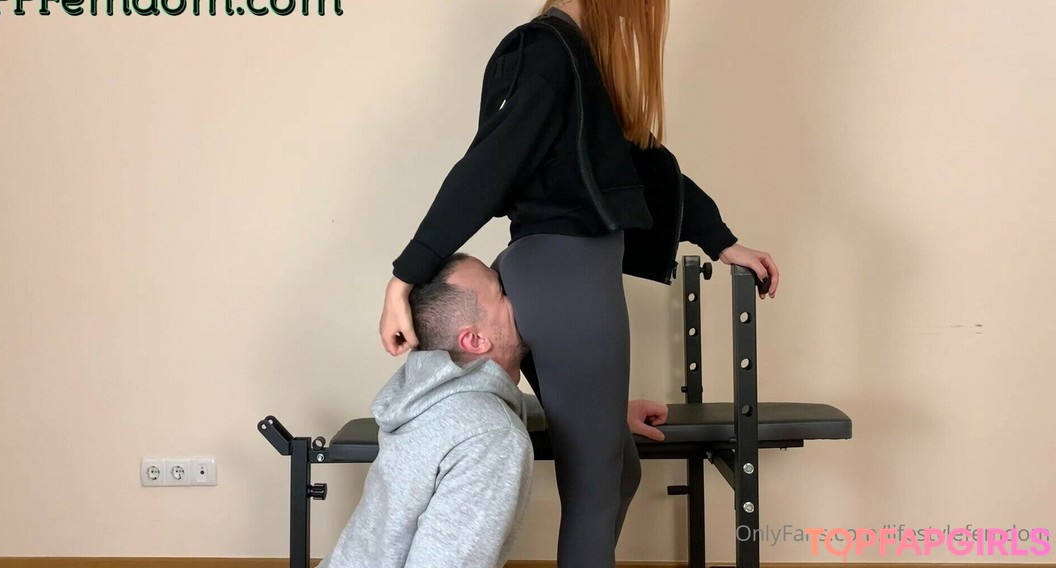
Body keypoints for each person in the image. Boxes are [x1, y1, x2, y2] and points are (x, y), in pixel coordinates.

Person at [379, 2, 780, 566]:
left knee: (618, 472)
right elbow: (489, 164)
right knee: (594, 492)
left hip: (557, 280)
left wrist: (720, 240)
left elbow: (643, 170)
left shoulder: (575, 58)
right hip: (567, 281)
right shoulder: (546, 51)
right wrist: (404, 277)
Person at [327, 253, 670, 568]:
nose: (521, 296)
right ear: (475, 340)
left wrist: (604, 412)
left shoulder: (432, 400)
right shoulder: (490, 437)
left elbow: (500, 411)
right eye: (502, 291)